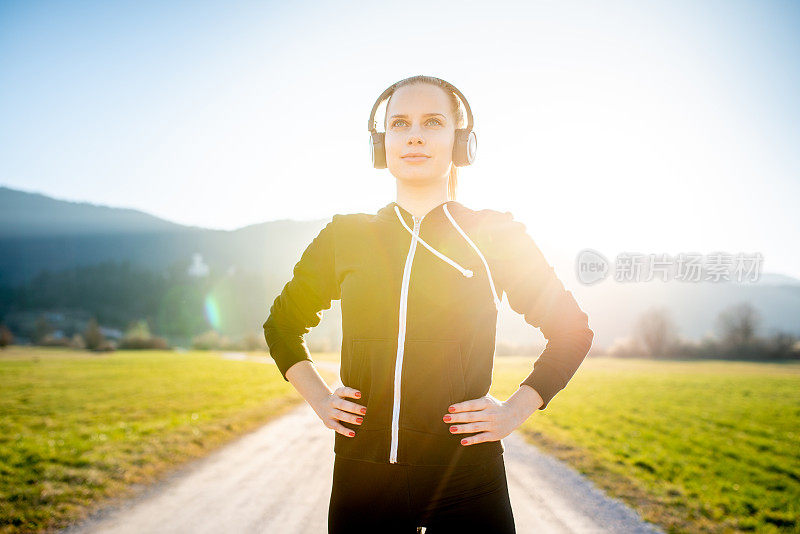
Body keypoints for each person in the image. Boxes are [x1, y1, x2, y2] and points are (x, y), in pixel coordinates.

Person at [263, 75, 594, 534]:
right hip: (364, 483)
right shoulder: (344, 236)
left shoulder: (495, 235)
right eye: (399, 123)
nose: (414, 134)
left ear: (461, 142)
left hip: (467, 480)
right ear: (382, 144)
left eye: (432, 122)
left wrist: (515, 409)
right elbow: (281, 325)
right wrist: (319, 398)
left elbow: (572, 330)